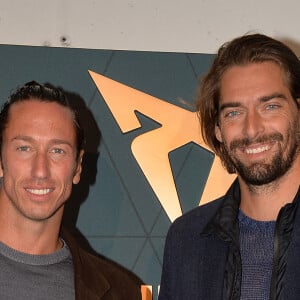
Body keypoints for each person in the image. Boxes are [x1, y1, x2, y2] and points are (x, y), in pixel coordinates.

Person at [158, 33, 300, 299]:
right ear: (218, 129)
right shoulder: (187, 240)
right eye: (234, 113)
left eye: (270, 106)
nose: (252, 128)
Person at [0, 81, 142, 299]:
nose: (40, 171)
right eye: (24, 148)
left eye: (57, 151)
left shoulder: (123, 292)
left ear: (78, 166)